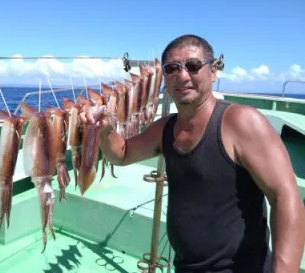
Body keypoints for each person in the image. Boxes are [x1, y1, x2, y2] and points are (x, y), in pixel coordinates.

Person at [81, 34, 305, 272]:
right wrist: (104, 132)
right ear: (164, 77)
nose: (182, 76)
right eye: (172, 68)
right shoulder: (165, 127)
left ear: (213, 71)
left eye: (193, 66)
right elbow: (122, 154)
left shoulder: (240, 122)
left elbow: (284, 197)